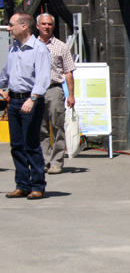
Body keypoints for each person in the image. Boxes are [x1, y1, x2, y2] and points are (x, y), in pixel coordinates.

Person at [0, 13, 51, 199]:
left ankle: (37, 185)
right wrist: (1, 87)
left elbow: (43, 77)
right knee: (17, 145)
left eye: (11, 24)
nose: (8, 28)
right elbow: (6, 72)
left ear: (23, 27)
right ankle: (22, 184)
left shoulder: (39, 49)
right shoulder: (15, 48)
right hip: (13, 101)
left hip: (31, 100)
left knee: (31, 144)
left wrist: (32, 98)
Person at [36, 13, 77, 175]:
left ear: (53, 26)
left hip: (54, 89)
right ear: (38, 26)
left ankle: (57, 161)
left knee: (57, 126)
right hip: (36, 92)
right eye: (44, 24)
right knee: (40, 129)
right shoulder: (31, 45)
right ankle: (44, 160)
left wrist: (71, 95)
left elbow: (68, 72)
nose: (47, 27)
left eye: (50, 24)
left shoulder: (61, 46)